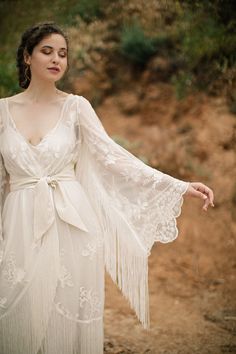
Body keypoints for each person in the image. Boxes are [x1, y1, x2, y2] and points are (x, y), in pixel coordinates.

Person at [0, 22, 214, 354]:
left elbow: (115, 158)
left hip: (71, 222)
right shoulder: (2, 110)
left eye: (63, 53)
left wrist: (179, 186)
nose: (57, 59)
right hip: (19, 222)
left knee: (62, 311)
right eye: (46, 51)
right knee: (17, 309)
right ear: (27, 57)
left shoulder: (76, 106)